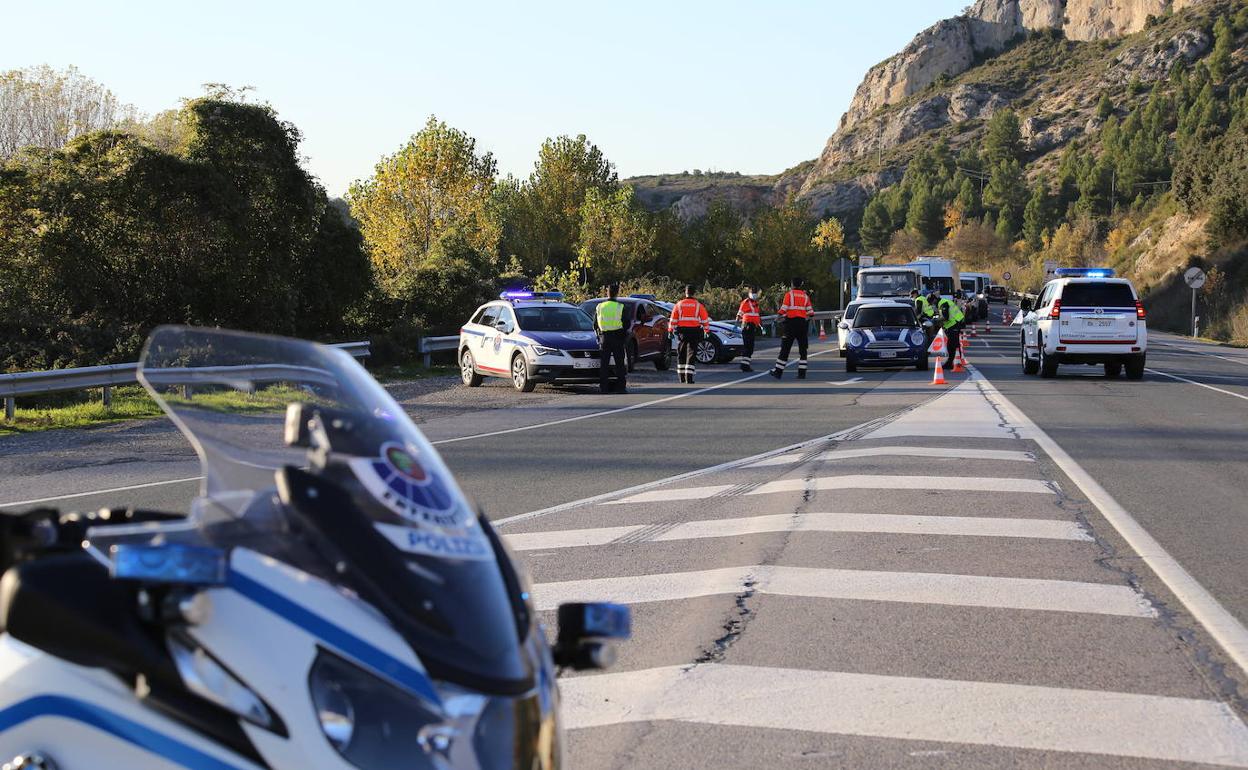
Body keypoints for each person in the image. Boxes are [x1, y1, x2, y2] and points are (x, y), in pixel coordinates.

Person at [769, 277, 815, 380]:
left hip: (790, 324)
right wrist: (808, 322)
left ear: (792, 284)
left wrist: (777, 318)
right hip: (802, 325)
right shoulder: (805, 296)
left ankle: (778, 372)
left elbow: (784, 309)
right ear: (801, 284)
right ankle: (802, 373)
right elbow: (811, 313)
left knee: (785, 349)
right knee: (803, 350)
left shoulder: (789, 295)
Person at [669, 284, 710, 384]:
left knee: (681, 353)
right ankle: (689, 378)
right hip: (694, 331)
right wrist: (706, 330)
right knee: (691, 354)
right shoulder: (698, 305)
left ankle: (681, 378)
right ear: (694, 293)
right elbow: (704, 319)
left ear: (685, 292)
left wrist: (670, 331)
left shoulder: (679, 304)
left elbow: (673, 319)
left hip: (682, 332)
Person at [594, 283, 631, 394]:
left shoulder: (600, 306)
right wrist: (623, 334)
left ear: (607, 292)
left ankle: (603, 388)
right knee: (619, 364)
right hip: (617, 337)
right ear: (617, 293)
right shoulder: (620, 307)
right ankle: (620, 387)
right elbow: (627, 324)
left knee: (604, 364)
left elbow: (595, 324)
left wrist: (599, 335)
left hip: (604, 337)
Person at [735, 285, 763, 372]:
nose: (754, 294)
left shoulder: (756, 304)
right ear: (749, 293)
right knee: (748, 346)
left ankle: (745, 364)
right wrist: (736, 324)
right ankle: (744, 366)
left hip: (752, 326)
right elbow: (739, 314)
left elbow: (757, 315)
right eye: (753, 293)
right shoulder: (745, 302)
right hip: (747, 326)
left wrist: (760, 325)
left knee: (750, 347)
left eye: (755, 293)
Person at [938, 289, 966, 368]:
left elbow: (945, 317)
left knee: (953, 344)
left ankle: (955, 362)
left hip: (955, 323)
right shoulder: (945, 302)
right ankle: (953, 362)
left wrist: (937, 320)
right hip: (956, 323)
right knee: (952, 344)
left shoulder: (943, 304)